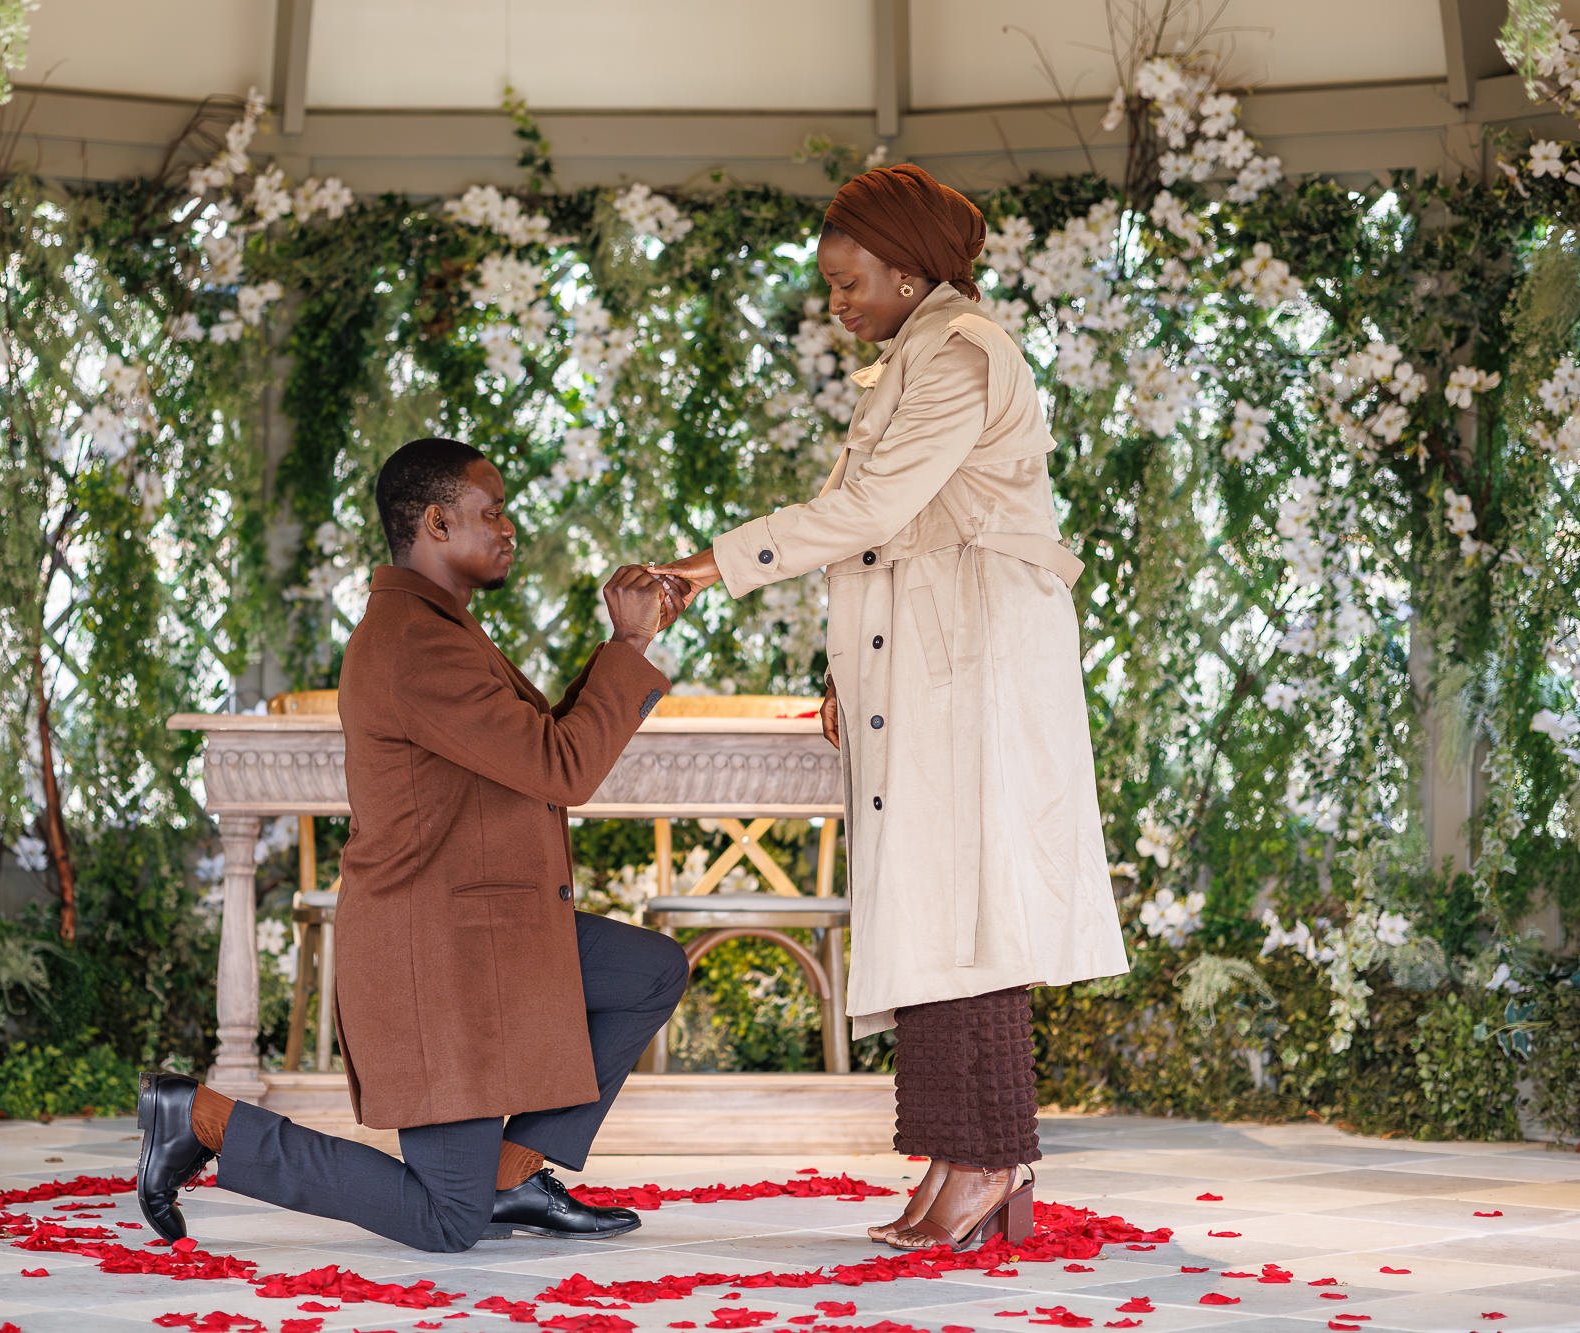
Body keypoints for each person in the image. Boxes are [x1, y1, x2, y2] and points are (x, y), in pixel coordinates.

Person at [650, 164, 1130, 1253]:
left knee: (968, 913)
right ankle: (952, 1156)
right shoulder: (917, 356)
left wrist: (699, 569)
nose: (836, 303)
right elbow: (887, 536)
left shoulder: (959, 354)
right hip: (930, 655)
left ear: (909, 268)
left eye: (847, 280)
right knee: (927, 908)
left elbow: (868, 509)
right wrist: (849, 676)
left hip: (972, 661)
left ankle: (991, 1155)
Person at [138, 436, 690, 1253]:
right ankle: (203, 1118)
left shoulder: (434, 627)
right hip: (435, 963)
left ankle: (508, 1176)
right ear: (436, 520)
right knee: (444, 1220)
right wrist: (628, 647)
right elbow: (562, 766)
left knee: (648, 969)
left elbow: (534, 745)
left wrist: (620, 651)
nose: (509, 527)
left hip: (482, 939)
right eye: (491, 510)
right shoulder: (415, 643)